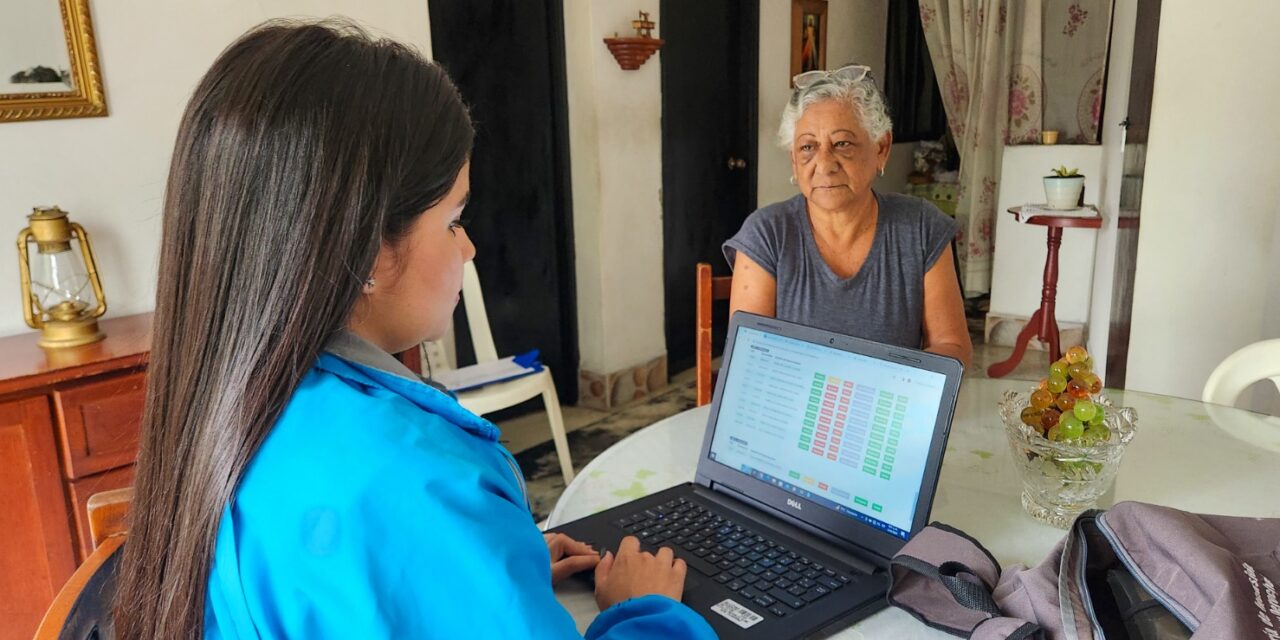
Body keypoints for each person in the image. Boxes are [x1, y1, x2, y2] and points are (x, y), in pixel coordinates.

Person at [114, 20, 715, 640]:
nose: (471, 247)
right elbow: (392, 527)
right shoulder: (409, 480)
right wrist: (644, 611)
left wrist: (480, 566)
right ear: (370, 252)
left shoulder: (235, 402)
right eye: (455, 219)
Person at [723, 64, 972, 367]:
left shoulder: (920, 227)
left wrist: (868, 394)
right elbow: (749, 359)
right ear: (793, 161)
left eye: (842, 144)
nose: (824, 164)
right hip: (795, 408)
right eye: (807, 147)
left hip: (889, 408)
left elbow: (952, 346)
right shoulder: (767, 234)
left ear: (882, 148)